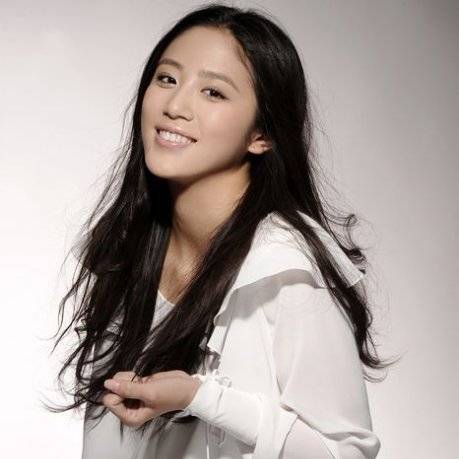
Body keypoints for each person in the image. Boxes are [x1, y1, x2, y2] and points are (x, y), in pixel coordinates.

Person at [47, 3, 396, 458]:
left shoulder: (285, 271)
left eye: (213, 92)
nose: (175, 106)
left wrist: (202, 398)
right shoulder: (127, 249)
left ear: (262, 134)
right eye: (167, 79)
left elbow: (347, 453)